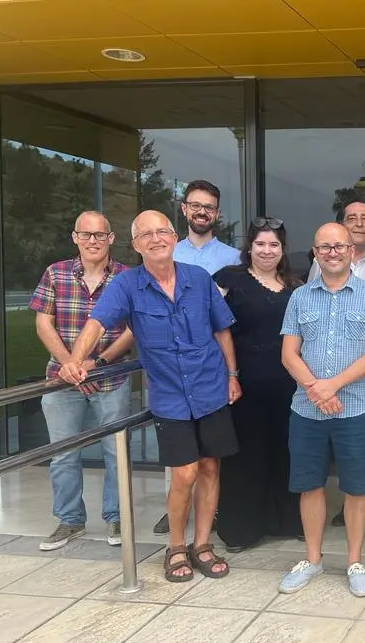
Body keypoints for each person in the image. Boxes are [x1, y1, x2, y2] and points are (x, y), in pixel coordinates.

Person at [59, 210, 240, 584]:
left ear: (174, 237)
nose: (156, 239)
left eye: (162, 231)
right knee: (185, 473)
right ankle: (176, 546)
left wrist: (233, 375)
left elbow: (222, 330)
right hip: (171, 395)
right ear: (136, 244)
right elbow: (97, 322)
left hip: (210, 387)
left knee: (209, 468)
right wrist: (76, 360)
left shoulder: (198, 278)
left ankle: (202, 544)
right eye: (146, 234)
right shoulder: (127, 285)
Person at [278, 223, 365, 598]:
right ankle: (313, 559)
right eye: (324, 246)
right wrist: (316, 389)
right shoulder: (299, 298)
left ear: (351, 250)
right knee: (310, 485)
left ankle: (354, 562)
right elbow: (288, 354)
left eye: (339, 246)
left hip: (354, 409)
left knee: (357, 488)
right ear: (315, 252)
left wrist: (333, 385)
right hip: (307, 410)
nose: (332, 252)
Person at [30, 211, 135, 551]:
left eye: (99, 235)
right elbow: (44, 323)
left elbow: (134, 329)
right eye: (86, 234)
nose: (93, 240)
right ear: (75, 237)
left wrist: (96, 362)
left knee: (115, 452)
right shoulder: (56, 273)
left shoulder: (126, 277)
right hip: (62, 380)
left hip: (110, 377)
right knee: (63, 454)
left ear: (111, 238)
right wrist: (70, 365)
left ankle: (117, 518)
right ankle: (70, 520)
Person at [148, 179, 240, 536]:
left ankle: (210, 513)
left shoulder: (232, 258)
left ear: (217, 213)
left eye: (210, 207)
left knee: (210, 454)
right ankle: (175, 510)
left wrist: (233, 372)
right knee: (179, 454)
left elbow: (224, 321)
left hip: (210, 368)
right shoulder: (168, 251)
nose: (202, 212)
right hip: (170, 371)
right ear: (184, 209)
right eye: (195, 205)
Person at [211, 217, 304, 552]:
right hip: (242, 384)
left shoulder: (295, 284)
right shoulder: (229, 280)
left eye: (274, 245)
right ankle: (242, 529)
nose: (267, 250)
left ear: (282, 249)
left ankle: (287, 521)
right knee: (245, 456)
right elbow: (210, 327)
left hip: (288, 385)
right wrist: (226, 374)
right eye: (260, 244)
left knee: (286, 452)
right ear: (249, 247)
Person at [313, 198, 365, 530]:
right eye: (352, 218)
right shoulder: (321, 265)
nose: (359, 223)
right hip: (338, 376)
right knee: (349, 442)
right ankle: (348, 505)